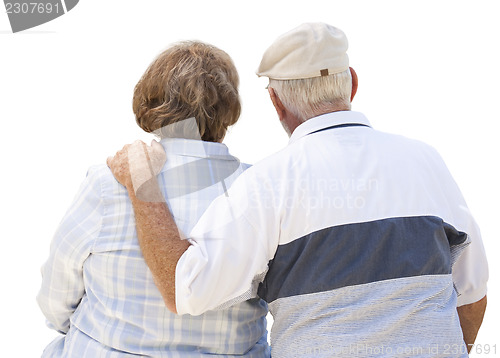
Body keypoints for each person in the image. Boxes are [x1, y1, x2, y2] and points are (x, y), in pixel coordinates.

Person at [107, 23, 488, 357]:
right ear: (352, 83)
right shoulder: (426, 161)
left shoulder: (268, 183)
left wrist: (143, 184)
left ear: (275, 101)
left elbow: (184, 290)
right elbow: (472, 294)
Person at [37, 41, 270, 357]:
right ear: (228, 108)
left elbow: (56, 295)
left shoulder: (108, 184)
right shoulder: (261, 188)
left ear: (152, 102)